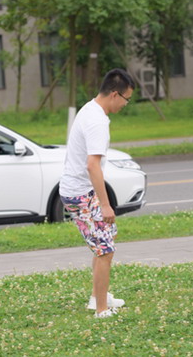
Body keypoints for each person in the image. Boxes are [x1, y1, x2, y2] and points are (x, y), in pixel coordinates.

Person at [59, 68, 134, 319]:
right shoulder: (97, 121)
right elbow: (92, 165)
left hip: (81, 190)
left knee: (106, 241)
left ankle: (97, 297)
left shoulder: (90, 108)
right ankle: (101, 309)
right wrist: (105, 205)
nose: (126, 104)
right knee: (105, 248)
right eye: (127, 99)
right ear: (115, 94)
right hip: (79, 193)